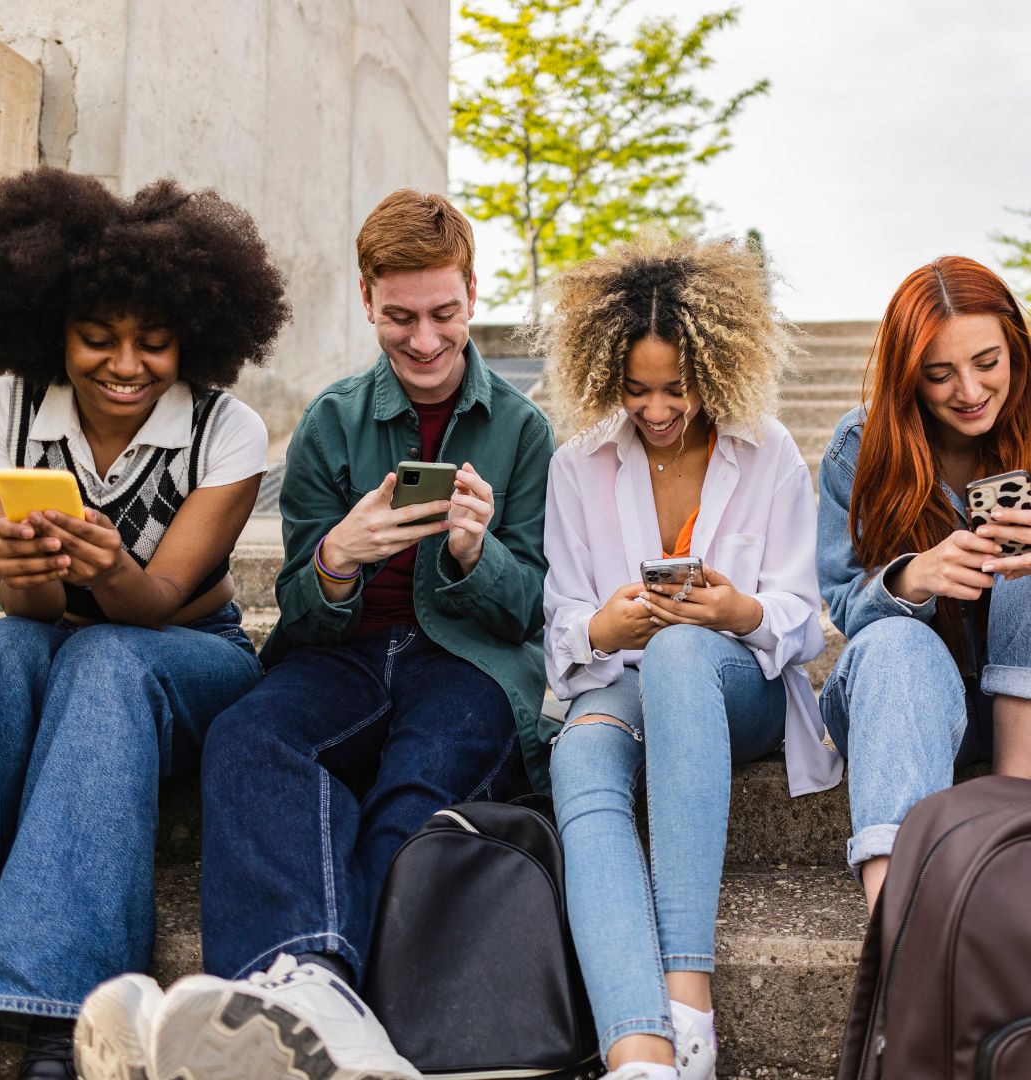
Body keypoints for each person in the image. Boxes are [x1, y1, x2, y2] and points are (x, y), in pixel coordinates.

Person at [77, 189, 555, 1080]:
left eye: (444, 314)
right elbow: (298, 604)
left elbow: (529, 611)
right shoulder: (334, 420)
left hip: (468, 662)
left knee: (412, 800)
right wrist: (339, 555)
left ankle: (301, 998)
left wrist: (472, 553)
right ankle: (304, 995)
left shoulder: (525, 431)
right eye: (400, 315)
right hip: (341, 656)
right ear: (367, 298)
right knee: (250, 736)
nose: (423, 340)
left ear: (474, 295)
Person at [0, 166, 289, 1079]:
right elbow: (32, 615)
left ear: (196, 340)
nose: (127, 366)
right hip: (62, 641)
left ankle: (64, 1007)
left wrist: (111, 566)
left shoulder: (228, 430)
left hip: (191, 657)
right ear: (50, 332)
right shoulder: (4, 411)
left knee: (104, 651)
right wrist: (24, 575)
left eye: (156, 344)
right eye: (97, 339)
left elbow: (157, 601)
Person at [537, 230, 842, 1080]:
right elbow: (563, 623)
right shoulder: (578, 464)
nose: (659, 408)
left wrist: (732, 610)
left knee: (680, 654)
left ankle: (688, 1001)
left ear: (714, 366)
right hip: (621, 687)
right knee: (583, 749)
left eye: (678, 388)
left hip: (734, 688)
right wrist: (608, 627)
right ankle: (639, 1053)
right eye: (637, 391)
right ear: (609, 377)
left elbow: (801, 621)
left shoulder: (768, 449)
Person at [817, 255, 1031, 912]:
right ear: (910, 375)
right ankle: (900, 928)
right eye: (939, 374)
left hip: (1018, 726)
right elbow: (845, 606)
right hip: (912, 710)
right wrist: (914, 577)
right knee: (890, 642)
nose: (968, 390)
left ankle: (1012, 816)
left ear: (1017, 349)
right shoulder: (861, 445)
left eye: (987, 363)